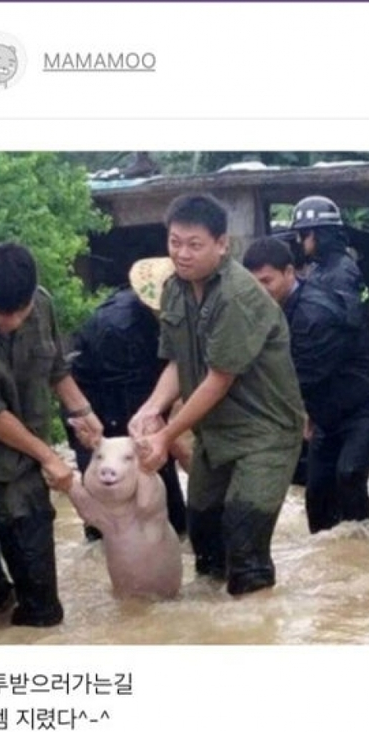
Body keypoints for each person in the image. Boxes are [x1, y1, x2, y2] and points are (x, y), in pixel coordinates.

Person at [128, 194, 304, 596]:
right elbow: (178, 361)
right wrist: (151, 408)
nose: (182, 254)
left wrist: (165, 436)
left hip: (265, 435)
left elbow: (218, 379)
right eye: (175, 242)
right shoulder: (174, 289)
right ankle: (209, 626)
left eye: (194, 245)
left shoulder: (237, 296)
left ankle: (256, 623)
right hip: (215, 434)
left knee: (245, 547)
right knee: (205, 543)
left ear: (222, 244)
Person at [0, 242, 102, 626]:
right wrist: (49, 456)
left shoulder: (41, 305)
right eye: (0, 314)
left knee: (42, 605)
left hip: (23, 463)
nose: (13, 322)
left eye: (20, 310)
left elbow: (55, 368)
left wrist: (82, 411)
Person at [244, 213, 369, 534]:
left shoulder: (314, 313)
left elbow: (296, 380)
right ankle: (332, 559)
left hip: (368, 407)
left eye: (267, 282)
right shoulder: (283, 303)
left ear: (289, 273)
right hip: (329, 415)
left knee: (349, 475)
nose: (260, 291)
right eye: (253, 284)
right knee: (316, 495)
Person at [63, 271, 187, 539]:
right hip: (97, 407)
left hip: (138, 395)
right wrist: (170, 440)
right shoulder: (120, 328)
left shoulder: (165, 320)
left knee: (169, 514)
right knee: (111, 499)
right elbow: (143, 416)